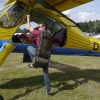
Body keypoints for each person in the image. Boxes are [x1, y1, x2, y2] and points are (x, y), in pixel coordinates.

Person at [26, 15, 51, 96]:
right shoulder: (50, 34)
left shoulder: (39, 32)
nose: (38, 28)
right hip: (46, 57)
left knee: (29, 47)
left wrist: (28, 18)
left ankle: (34, 63)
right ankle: (48, 91)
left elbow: (29, 28)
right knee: (46, 73)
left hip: (38, 55)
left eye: (39, 26)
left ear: (44, 27)